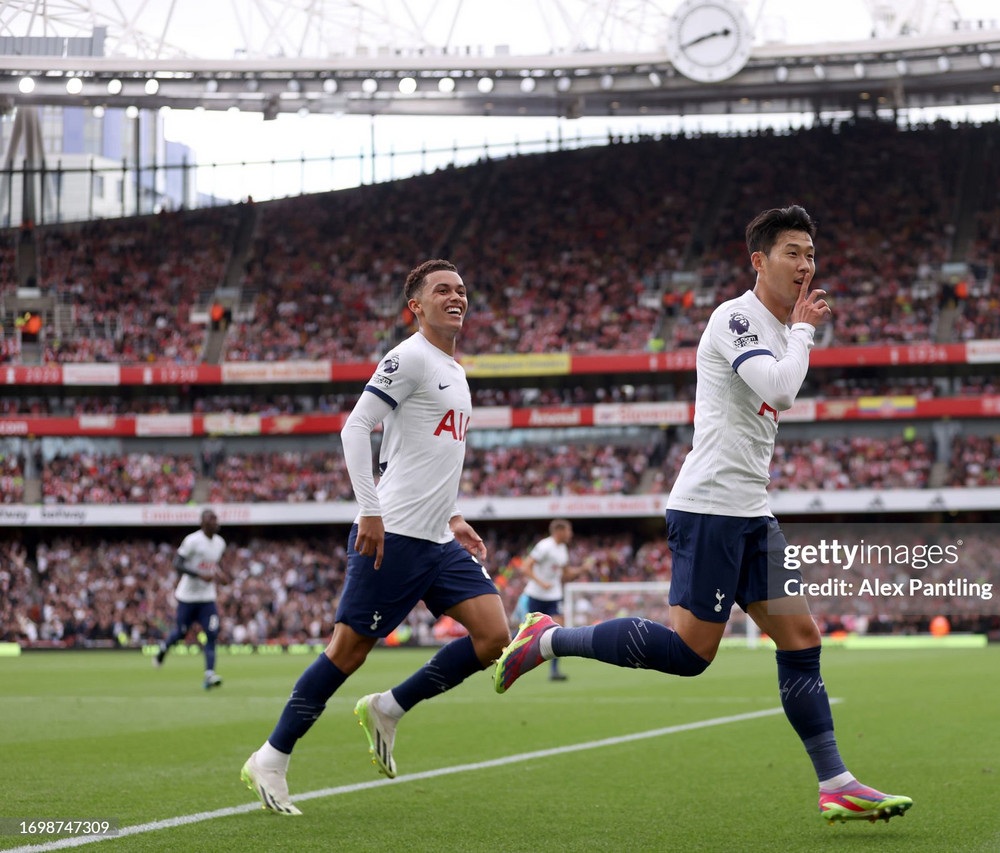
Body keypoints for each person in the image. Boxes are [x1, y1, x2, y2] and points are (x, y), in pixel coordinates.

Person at [494, 206, 913, 826]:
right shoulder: (736, 317)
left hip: (751, 510)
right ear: (759, 261)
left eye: (810, 254)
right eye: (793, 253)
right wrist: (803, 333)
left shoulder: (779, 326)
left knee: (801, 638)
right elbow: (781, 390)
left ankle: (836, 783)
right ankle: (547, 639)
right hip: (710, 506)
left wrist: (795, 332)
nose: (805, 265)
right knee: (692, 654)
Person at [240, 259, 509, 816]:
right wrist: (369, 510)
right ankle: (271, 756)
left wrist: (455, 516)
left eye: (461, 289)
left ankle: (389, 707)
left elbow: (425, 453)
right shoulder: (407, 356)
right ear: (416, 306)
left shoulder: (454, 370)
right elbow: (355, 428)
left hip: (437, 537)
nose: (456, 297)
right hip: (394, 532)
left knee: (493, 637)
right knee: (347, 652)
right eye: (442, 290)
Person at [154, 508, 226, 690]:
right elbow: (177, 564)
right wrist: (199, 575)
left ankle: (209, 674)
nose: (216, 521)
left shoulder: (220, 543)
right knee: (181, 633)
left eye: (216, 518)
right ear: (203, 522)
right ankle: (163, 648)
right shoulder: (193, 540)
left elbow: (213, 566)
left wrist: (221, 575)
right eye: (212, 518)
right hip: (187, 597)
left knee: (211, 634)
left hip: (207, 598)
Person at [513, 519, 578, 681]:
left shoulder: (562, 549)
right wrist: (541, 583)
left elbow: (566, 574)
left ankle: (554, 671)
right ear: (559, 531)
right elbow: (525, 567)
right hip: (536, 595)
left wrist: (583, 569)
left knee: (556, 631)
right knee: (527, 632)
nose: (570, 534)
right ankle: (505, 651)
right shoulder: (544, 546)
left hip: (554, 597)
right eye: (568, 530)